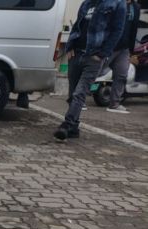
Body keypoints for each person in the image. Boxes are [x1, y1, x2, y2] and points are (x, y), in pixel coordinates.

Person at [54, 0, 126, 140]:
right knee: (72, 94)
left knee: (79, 93)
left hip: (94, 57)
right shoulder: (87, 2)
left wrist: (103, 53)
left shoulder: (117, 3)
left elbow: (117, 31)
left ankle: (67, 125)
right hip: (76, 54)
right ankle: (74, 129)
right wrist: (69, 47)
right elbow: (77, 25)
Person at [106, 0, 141, 113]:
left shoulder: (135, 7)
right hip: (109, 46)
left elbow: (134, 29)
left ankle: (114, 104)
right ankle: (78, 100)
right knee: (94, 72)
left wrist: (132, 51)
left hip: (124, 48)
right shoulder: (113, 3)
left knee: (121, 75)